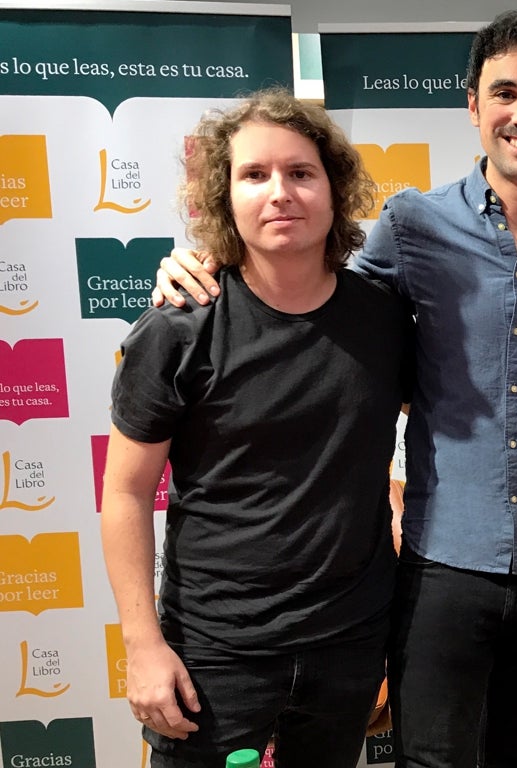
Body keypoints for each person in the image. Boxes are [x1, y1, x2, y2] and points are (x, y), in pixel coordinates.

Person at [150, 12, 517, 768]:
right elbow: (315, 300)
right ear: (473, 106)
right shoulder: (413, 226)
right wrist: (211, 259)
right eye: (505, 92)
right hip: (442, 569)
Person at [101, 89, 410, 768]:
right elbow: (125, 492)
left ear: (335, 190)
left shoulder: (385, 319)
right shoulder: (177, 328)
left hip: (351, 642)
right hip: (214, 652)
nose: (280, 193)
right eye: (254, 174)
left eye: (301, 172)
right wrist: (142, 645)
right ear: (225, 196)